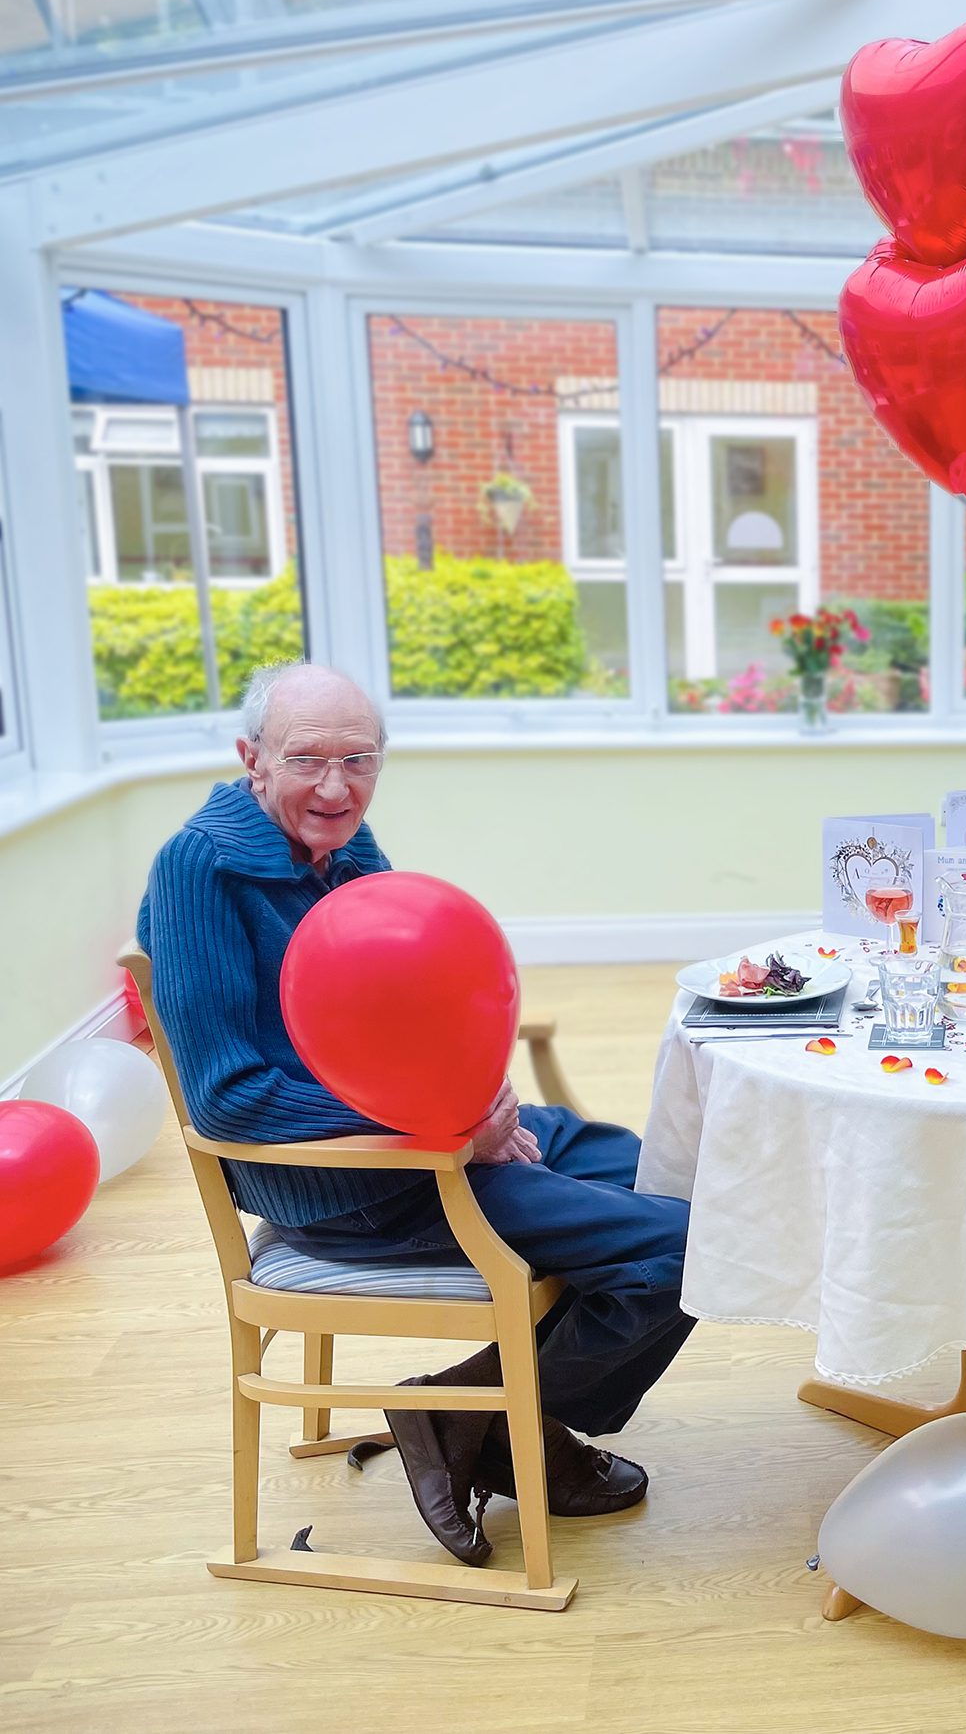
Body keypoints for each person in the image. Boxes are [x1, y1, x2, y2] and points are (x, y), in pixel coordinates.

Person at [137, 662, 695, 1568]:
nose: (334, 785)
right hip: (353, 1181)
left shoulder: (348, 851)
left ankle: (475, 1415)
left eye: (358, 759)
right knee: (684, 1250)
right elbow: (229, 1095)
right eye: (307, 759)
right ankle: (498, 1425)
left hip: (431, 1139)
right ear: (252, 758)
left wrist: (480, 1099)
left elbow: (417, 1006)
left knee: (656, 1174)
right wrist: (441, 1128)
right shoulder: (198, 870)